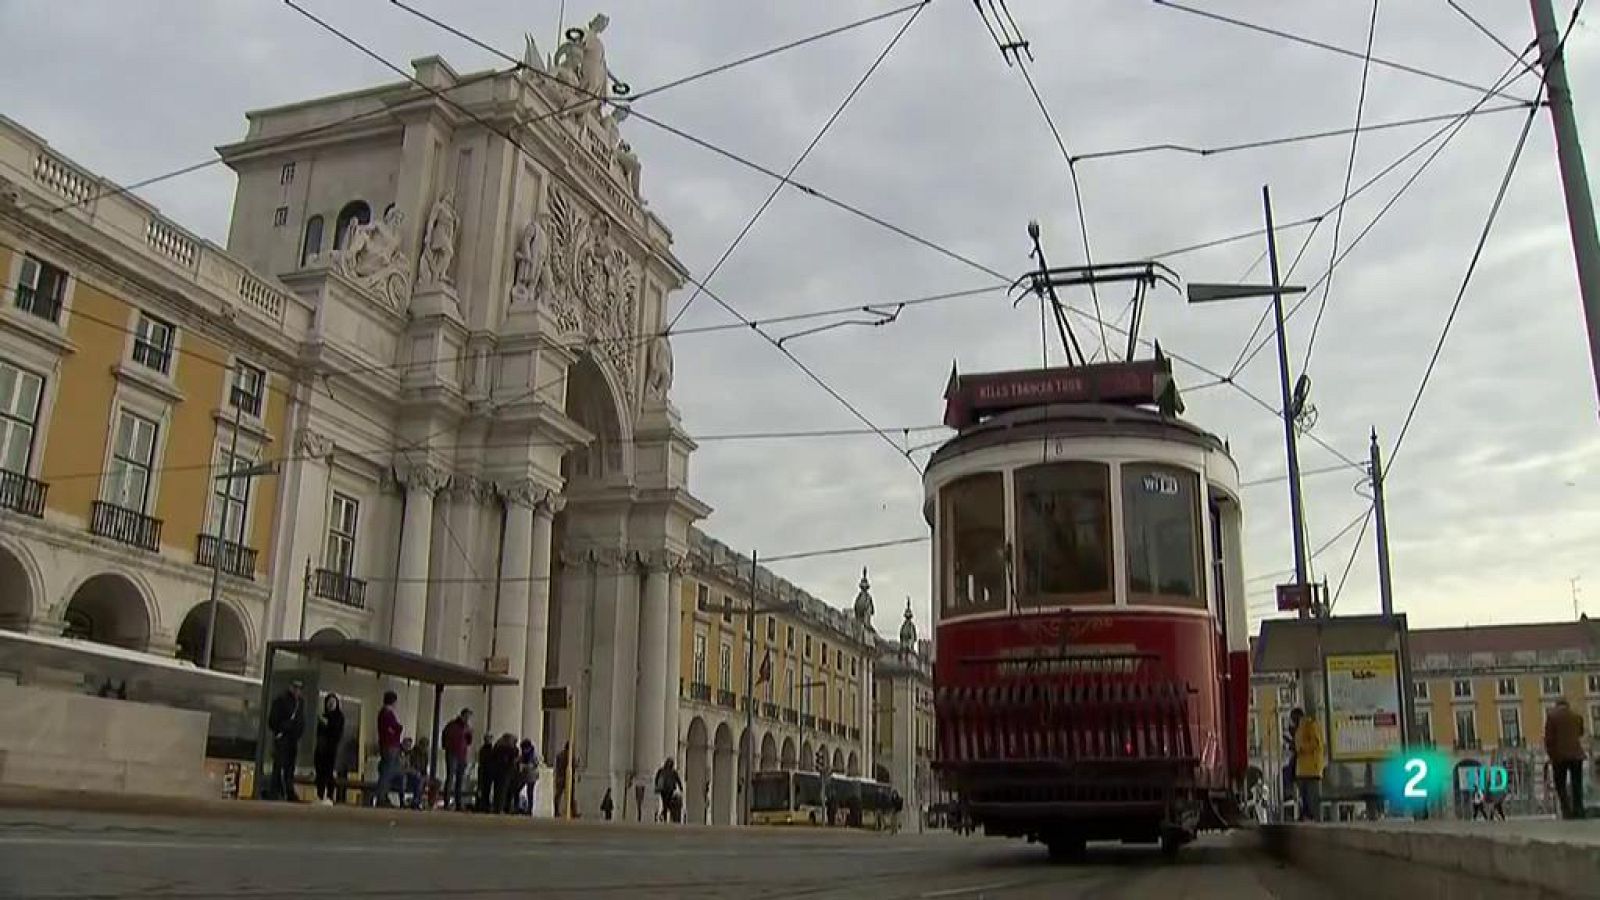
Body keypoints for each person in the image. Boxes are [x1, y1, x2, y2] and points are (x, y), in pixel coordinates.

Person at [1544, 698, 1587, 819]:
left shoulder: (1552, 717)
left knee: (1560, 784)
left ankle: (1566, 811)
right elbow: (1581, 732)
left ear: (1556, 705)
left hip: (1560, 755)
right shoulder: (1576, 716)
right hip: (1577, 755)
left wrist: (1551, 755)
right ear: (1567, 705)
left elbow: (1549, 739)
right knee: (1577, 784)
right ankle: (1579, 810)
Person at [266, 679, 305, 801]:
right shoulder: (281, 700)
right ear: (290, 687)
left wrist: (298, 732)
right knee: (278, 765)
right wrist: (284, 726)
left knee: (290, 767)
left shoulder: (300, 703)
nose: (297, 691)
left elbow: (301, 720)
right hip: (283, 737)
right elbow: (272, 721)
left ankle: (288, 791)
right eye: (295, 688)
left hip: (293, 739)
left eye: (299, 688)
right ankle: (274, 791)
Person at [1293, 709, 1326, 822]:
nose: (1292, 721)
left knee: (1310, 796)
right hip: (1303, 768)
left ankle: (1310, 815)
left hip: (1311, 768)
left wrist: (1301, 748)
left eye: (1293, 718)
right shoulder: (1300, 728)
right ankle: (1305, 814)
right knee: (1304, 795)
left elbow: (1316, 743)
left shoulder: (1311, 725)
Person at [313, 693, 345, 805]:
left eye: (333, 702)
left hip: (331, 750)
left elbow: (337, 733)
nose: (330, 704)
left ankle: (330, 797)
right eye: (329, 702)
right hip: (320, 749)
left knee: (329, 773)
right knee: (320, 774)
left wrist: (328, 724)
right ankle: (320, 795)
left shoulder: (339, 717)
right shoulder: (323, 716)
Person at [441, 708, 474, 811]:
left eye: (469, 717)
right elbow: (445, 736)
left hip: (462, 755)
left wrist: (469, 733)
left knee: (460, 779)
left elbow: (469, 741)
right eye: (467, 716)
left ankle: (458, 803)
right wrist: (447, 747)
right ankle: (446, 802)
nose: (468, 719)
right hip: (452, 753)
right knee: (450, 777)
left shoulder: (466, 727)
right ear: (462, 715)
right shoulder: (452, 725)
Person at [375, 690, 404, 807]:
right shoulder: (387, 714)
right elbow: (395, 728)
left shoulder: (383, 713)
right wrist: (398, 728)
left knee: (388, 771)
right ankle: (381, 797)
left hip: (386, 745)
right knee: (387, 773)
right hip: (390, 746)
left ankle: (383, 795)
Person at [654, 758, 683, 823]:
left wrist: (680, 787)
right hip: (664, 789)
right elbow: (657, 778)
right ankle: (664, 816)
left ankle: (663, 814)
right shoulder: (662, 771)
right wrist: (656, 785)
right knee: (665, 802)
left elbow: (678, 780)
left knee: (667, 802)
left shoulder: (672, 772)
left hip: (669, 789)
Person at [475, 736, 497, 813]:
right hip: (488, 771)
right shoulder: (492, 750)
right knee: (485, 789)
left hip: (484, 771)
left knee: (483, 788)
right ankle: (484, 805)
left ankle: (482, 805)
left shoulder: (484, 750)